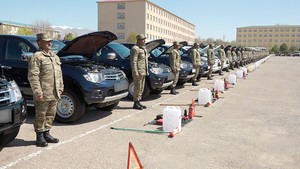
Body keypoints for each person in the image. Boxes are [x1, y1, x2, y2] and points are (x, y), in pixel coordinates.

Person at [28, 33, 64, 147]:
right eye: (47, 41)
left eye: (51, 41)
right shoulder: (37, 57)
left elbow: (59, 74)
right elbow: (33, 76)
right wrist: (38, 92)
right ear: (39, 43)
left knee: (50, 114)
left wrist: (61, 87)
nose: (50, 43)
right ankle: (39, 137)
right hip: (43, 93)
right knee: (41, 115)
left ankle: (47, 133)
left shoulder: (55, 57)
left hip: (54, 92)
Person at [130, 34, 148, 110]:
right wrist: (135, 72)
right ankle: (135, 103)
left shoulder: (143, 48)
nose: (144, 41)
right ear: (139, 40)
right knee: (137, 88)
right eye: (143, 39)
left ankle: (138, 101)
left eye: (144, 39)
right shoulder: (135, 49)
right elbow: (133, 62)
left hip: (143, 71)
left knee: (141, 88)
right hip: (139, 72)